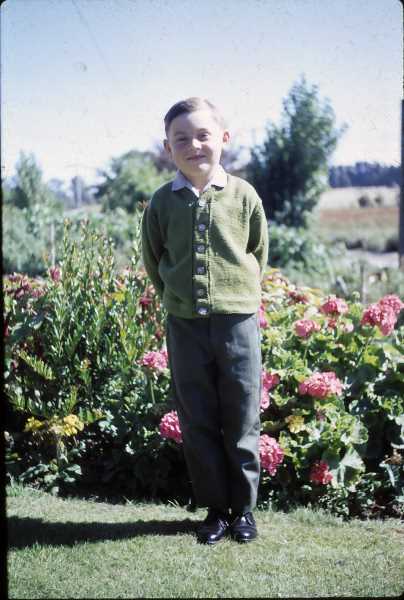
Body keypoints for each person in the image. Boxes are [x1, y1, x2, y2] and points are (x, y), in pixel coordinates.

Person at [141, 97, 268, 544]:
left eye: (203, 135)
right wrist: (178, 299)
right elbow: (154, 259)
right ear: (168, 148)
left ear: (223, 139)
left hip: (238, 325)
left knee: (241, 415)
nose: (193, 145)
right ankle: (215, 510)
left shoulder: (244, 195)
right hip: (185, 327)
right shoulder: (162, 202)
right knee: (196, 418)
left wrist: (236, 296)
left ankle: (244, 511)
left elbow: (257, 253)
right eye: (181, 139)